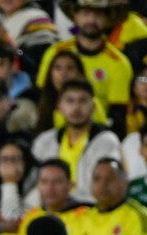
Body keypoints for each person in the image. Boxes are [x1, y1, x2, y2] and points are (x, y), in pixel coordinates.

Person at [36, 0, 133, 135]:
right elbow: (43, 97)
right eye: (86, 13)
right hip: (52, 130)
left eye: (98, 15)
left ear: (107, 18)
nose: (91, 20)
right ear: (74, 16)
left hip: (97, 132)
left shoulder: (119, 63)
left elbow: (118, 116)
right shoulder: (55, 52)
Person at [32, 79, 121, 204]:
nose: (76, 107)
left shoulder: (106, 141)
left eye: (83, 101)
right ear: (59, 106)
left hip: (89, 210)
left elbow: (103, 187)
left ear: (93, 106)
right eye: (70, 101)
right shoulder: (45, 140)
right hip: (51, 208)